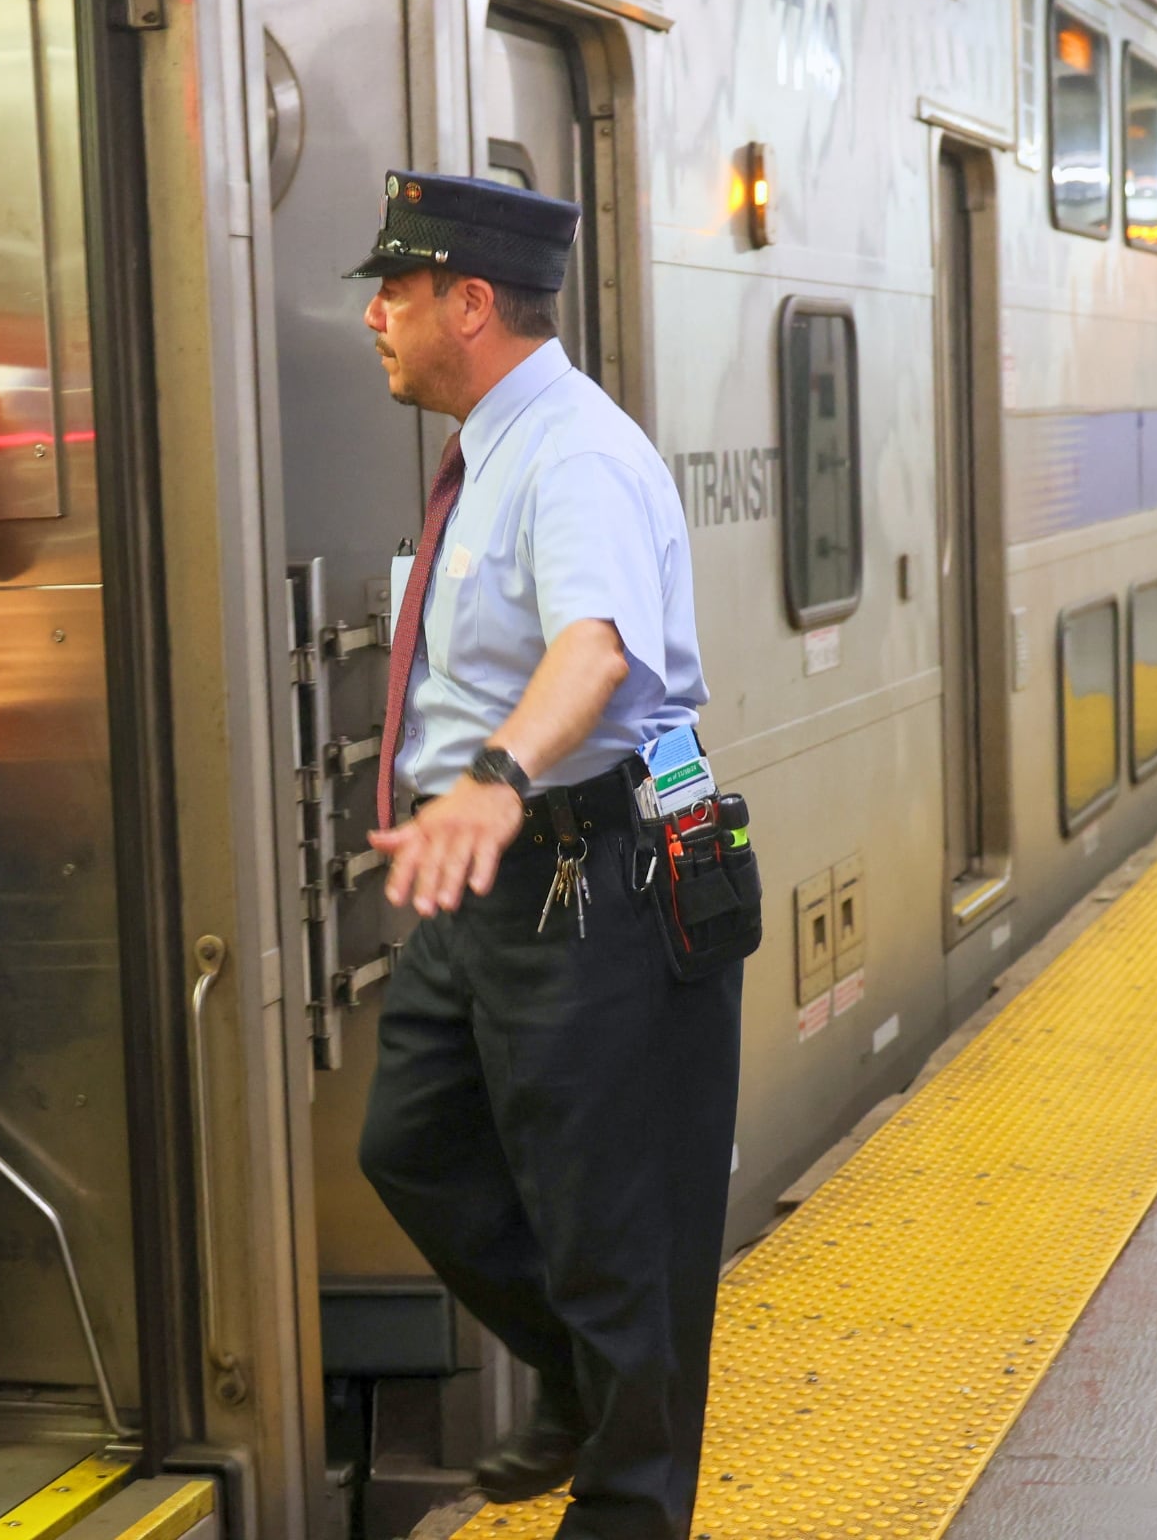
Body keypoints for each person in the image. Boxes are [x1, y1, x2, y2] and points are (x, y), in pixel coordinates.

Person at [344, 171, 744, 1540]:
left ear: (468, 301)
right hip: (495, 890)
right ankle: (588, 1378)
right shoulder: (492, 449)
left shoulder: (571, 454)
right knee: (411, 1146)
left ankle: (626, 1489)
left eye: (392, 294)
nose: (375, 322)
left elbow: (599, 646)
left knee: (614, 1236)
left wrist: (498, 781)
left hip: (595, 877)